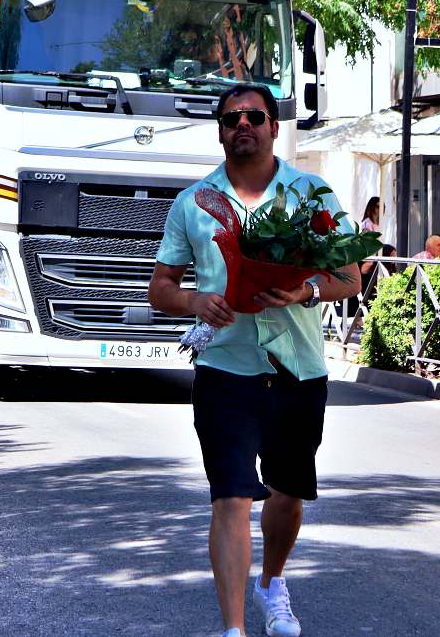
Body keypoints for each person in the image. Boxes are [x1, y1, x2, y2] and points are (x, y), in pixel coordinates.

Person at [149, 84, 360, 637]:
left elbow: (348, 276)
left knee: (288, 496)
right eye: (230, 118)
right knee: (232, 496)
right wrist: (195, 301)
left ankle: (272, 581)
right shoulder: (193, 203)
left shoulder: (312, 195)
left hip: (298, 370)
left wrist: (304, 292)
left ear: (272, 126)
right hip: (224, 370)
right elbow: (161, 288)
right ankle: (234, 629)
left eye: (254, 116)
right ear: (220, 130)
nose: (242, 125)